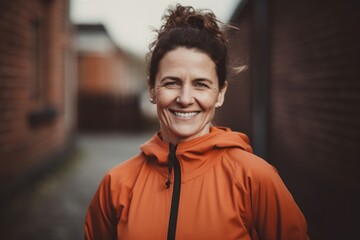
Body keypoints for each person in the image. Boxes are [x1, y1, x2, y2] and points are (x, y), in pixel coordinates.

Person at [84, 4, 309, 240]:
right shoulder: (116, 185)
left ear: (220, 93)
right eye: (172, 82)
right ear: (152, 89)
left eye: (201, 84)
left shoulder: (255, 179)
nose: (185, 99)